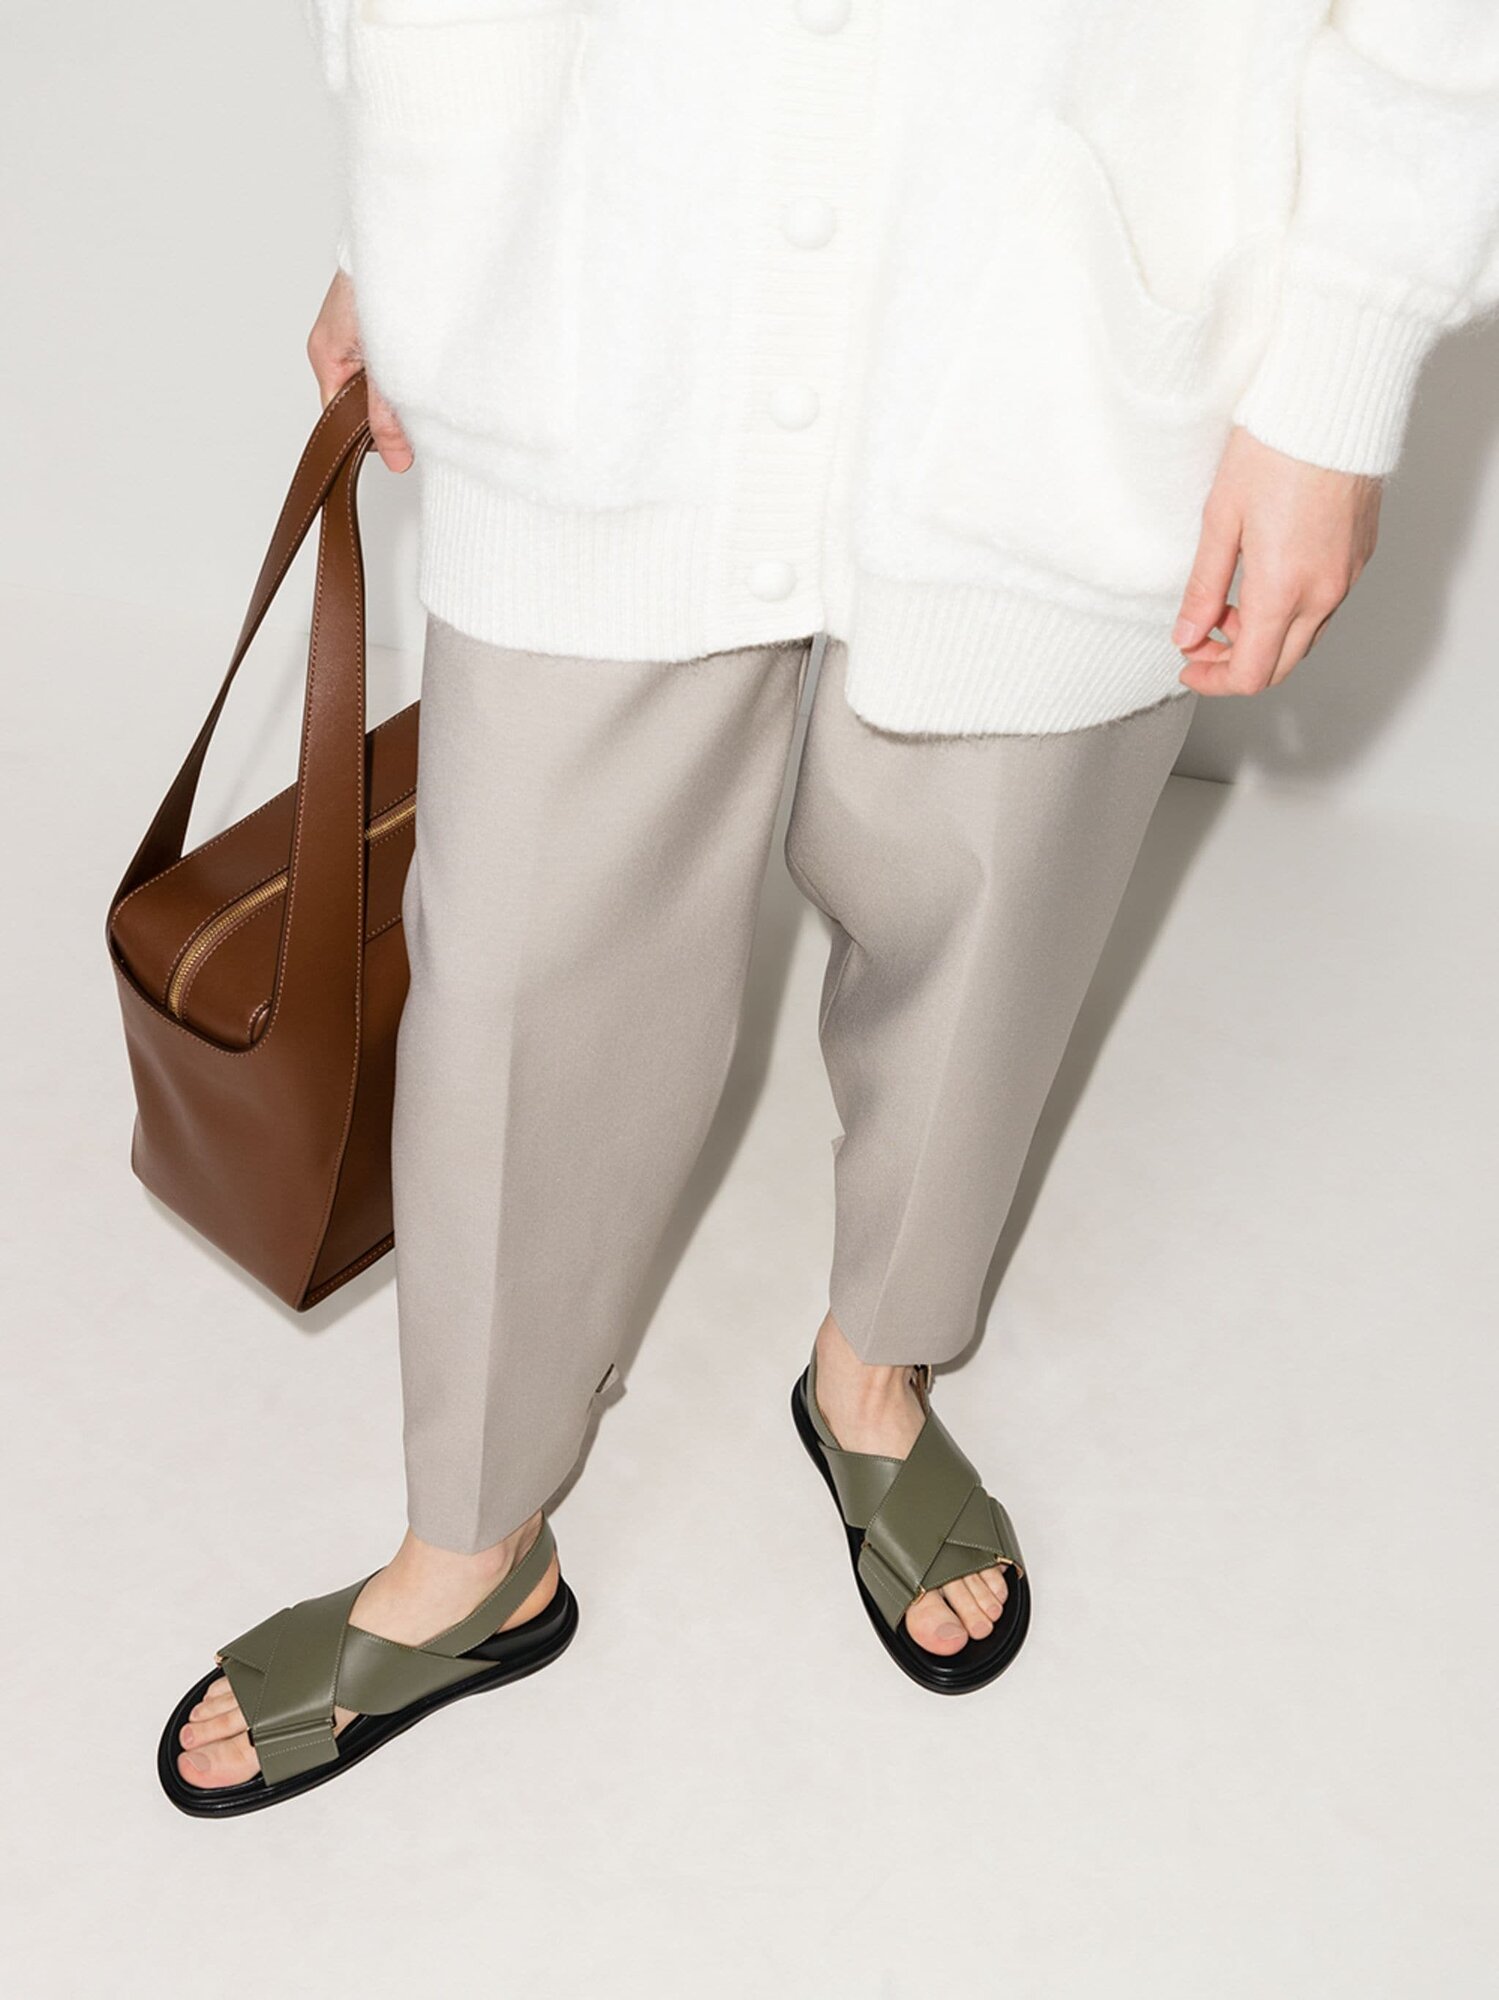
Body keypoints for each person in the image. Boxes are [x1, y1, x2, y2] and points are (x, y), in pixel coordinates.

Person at [159, 1, 1499, 1811]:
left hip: (1072, 283)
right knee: (519, 966)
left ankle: (876, 1371)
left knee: (993, 910)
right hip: (596, 252)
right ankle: (470, 1541)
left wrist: (1343, 361)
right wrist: (405, 217)